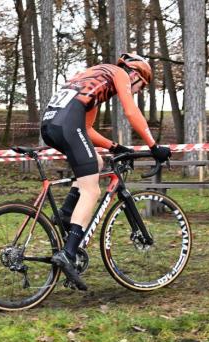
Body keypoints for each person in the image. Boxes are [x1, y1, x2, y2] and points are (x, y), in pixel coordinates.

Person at [40, 53, 171, 290]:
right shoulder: (120, 73)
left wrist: (114, 146)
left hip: (51, 125)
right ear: (135, 74)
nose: (139, 91)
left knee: (96, 163)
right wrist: (154, 146)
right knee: (91, 190)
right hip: (67, 125)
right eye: (141, 85)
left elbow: (87, 129)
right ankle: (68, 254)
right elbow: (131, 112)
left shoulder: (93, 78)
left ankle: (67, 214)